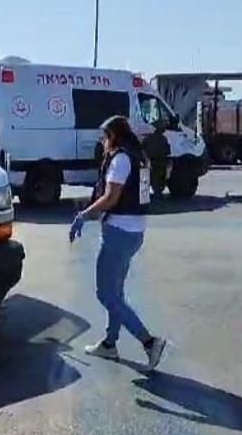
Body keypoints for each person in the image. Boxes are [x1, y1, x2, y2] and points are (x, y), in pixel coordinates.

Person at [69, 115, 168, 370]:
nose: (102, 142)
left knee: (105, 293)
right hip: (134, 232)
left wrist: (84, 215)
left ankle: (149, 341)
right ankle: (109, 344)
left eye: (104, 137)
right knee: (117, 293)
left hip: (119, 233)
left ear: (113, 136)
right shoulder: (138, 156)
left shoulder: (121, 159)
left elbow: (111, 198)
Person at [142, 119, 171, 197]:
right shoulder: (163, 139)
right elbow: (167, 152)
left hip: (152, 161)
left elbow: (142, 148)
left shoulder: (148, 138)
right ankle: (157, 193)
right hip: (160, 162)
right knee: (159, 179)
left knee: (152, 178)